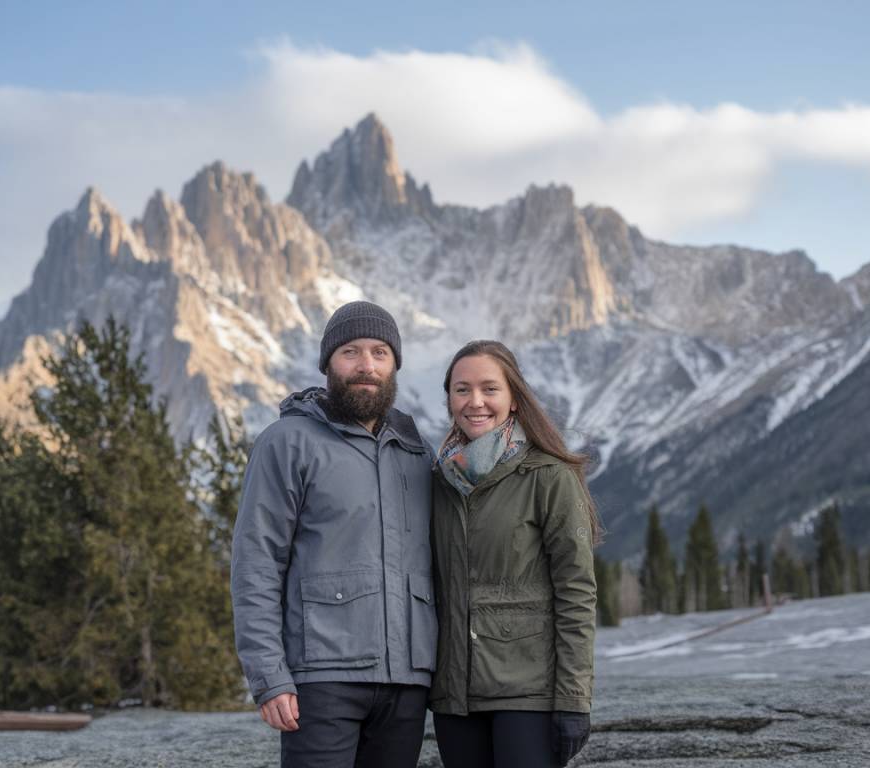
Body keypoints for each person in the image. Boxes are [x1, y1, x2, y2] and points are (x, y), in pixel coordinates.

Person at [231, 301, 437, 768]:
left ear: (395, 365)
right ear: (327, 363)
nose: (366, 365)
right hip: (321, 679)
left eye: (380, 353)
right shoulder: (286, 443)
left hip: (407, 683)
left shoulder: (417, 452)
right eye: (351, 352)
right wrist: (269, 676)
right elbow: (257, 564)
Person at [430, 340, 599, 768]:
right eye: (462, 389)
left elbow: (576, 593)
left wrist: (574, 699)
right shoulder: (439, 481)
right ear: (449, 399)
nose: (475, 402)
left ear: (513, 399)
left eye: (490, 389)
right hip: (455, 693)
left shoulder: (549, 476)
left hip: (529, 690)